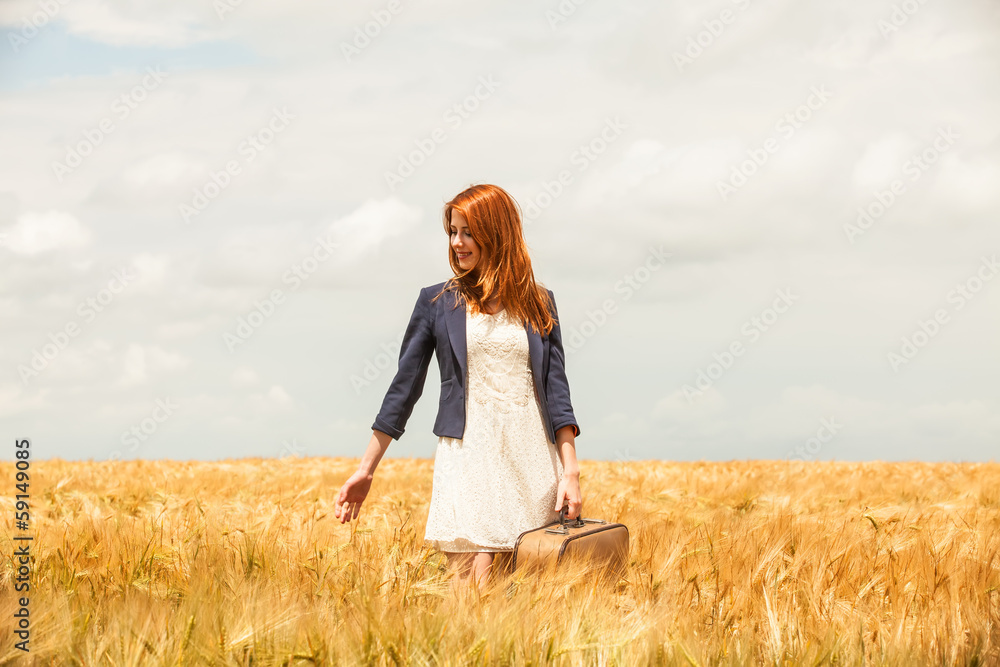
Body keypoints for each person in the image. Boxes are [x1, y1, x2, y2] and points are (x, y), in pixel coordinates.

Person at [334, 183, 582, 595]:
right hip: (469, 456)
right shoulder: (437, 302)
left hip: (533, 460)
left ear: (497, 233)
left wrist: (570, 472)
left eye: (467, 232)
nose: (457, 242)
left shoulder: (539, 303)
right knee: (472, 585)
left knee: (517, 592)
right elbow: (404, 388)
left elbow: (557, 394)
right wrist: (366, 469)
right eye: (452, 231)